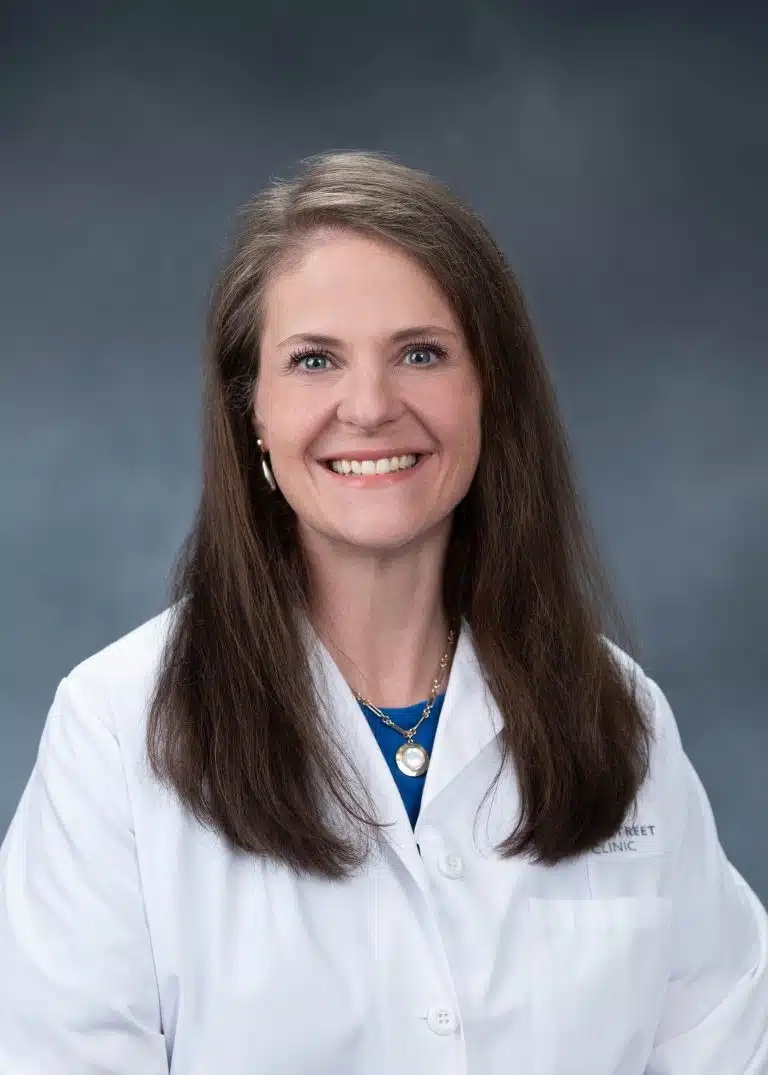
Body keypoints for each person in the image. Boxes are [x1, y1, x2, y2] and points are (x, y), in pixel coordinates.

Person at [0, 150, 766, 1075]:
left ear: (490, 392)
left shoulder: (615, 712)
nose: (368, 407)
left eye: (420, 353)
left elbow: (730, 1041)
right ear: (253, 414)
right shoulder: (117, 731)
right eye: (314, 360)